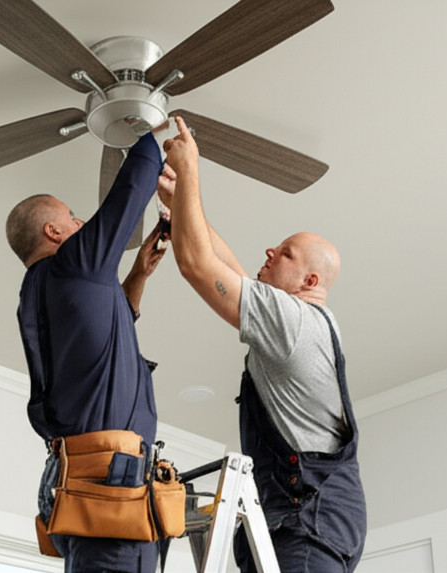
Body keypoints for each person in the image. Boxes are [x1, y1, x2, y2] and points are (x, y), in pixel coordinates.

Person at [160, 116, 367, 572]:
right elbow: (225, 267)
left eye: (286, 253)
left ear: (310, 280)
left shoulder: (294, 323)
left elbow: (197, 265)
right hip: (294, 526)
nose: (270, 252)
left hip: (305, 528)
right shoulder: (292, 320)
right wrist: (181, 204)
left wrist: (191, 168)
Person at [6, 132, 169, 573]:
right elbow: (130, 193)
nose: (81, 225)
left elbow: (100, 341)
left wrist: (136, 276)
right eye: (73, 218)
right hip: (107, 483)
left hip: (73, 484)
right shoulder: (73, 263)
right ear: (53, 231)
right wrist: (150, 135)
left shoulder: (35, 294)